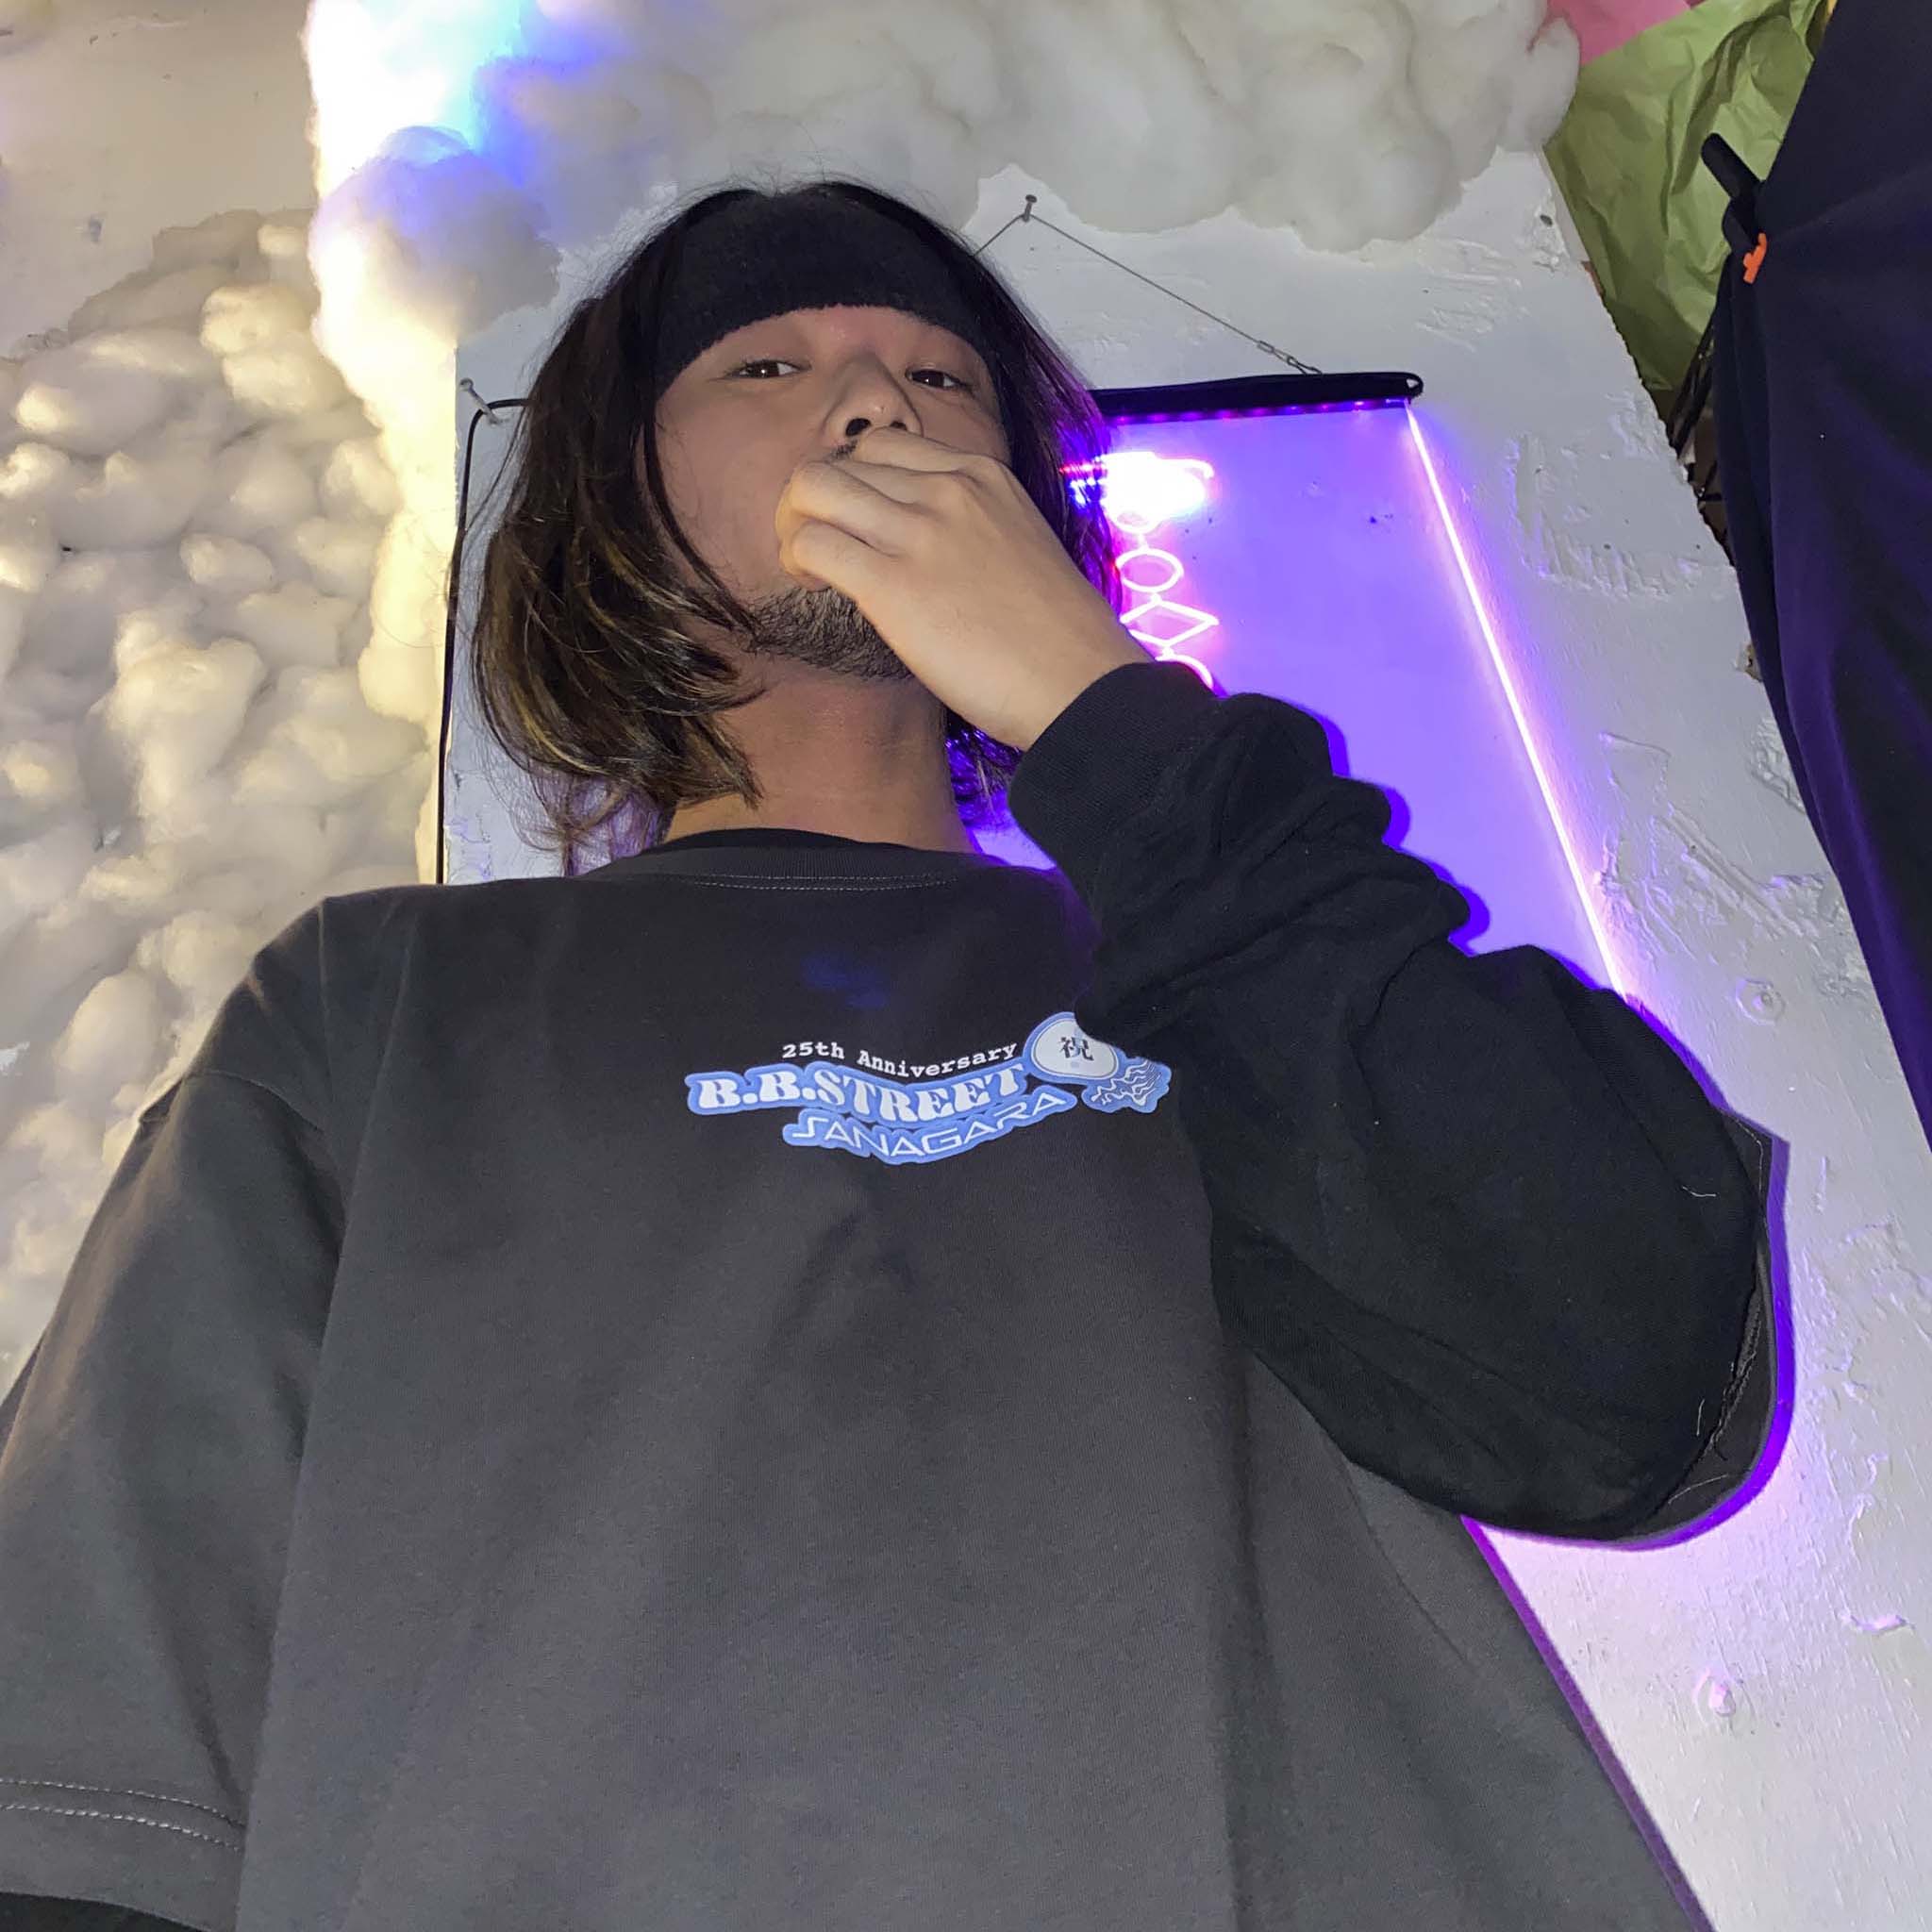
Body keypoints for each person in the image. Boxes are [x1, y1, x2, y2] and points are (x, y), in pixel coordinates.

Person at [0, 178, 1775, 1932]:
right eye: (767, 368)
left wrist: (1107, 722)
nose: (872, 406)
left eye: (940, 381)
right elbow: (93, 1753)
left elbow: (1627, 1393)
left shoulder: (1236, 951)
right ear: (612, 497)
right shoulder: (374, 1002)